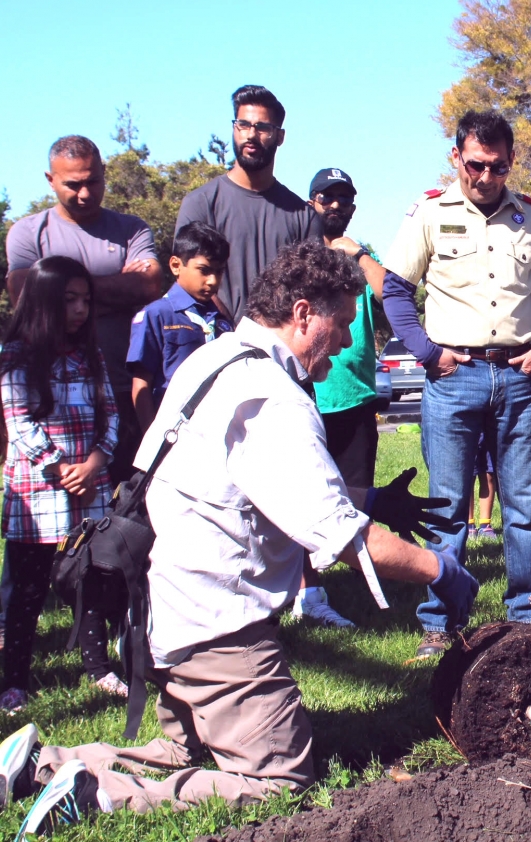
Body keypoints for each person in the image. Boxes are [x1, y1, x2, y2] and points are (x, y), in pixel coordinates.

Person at [0, 243, 479, 833]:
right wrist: (442, 571)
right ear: (303, 314)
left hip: (166, 611)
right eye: (345, 324)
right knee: (278, 780)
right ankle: (98, 793)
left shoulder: (216, 359)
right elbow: (351, 543)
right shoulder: (273, 397)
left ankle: (43, 765)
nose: (351, 341)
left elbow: (262, 485)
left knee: (186, 754)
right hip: (217, 629)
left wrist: (373, 499)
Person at [382, 110, 531, 659]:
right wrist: (427, 353)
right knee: (447, 504)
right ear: (456, 157)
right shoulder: (430, 213)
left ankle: (527, 613)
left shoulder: (529, 217)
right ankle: (441, 620)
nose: (485, 178)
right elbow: (395, 289)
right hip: (453, 377)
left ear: (511, 164)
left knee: (520, 502)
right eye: (476, 165)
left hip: (516, 375)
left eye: (498, 167)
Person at [0, 257, 124, 712]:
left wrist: (94, 463)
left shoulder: (89, 354)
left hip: (89, 487)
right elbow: (20, 422)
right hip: (39, 493)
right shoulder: (15, 355)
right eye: (69, 299)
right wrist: (61, 470)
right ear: (44, 302)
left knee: (91, 580)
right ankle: (14, 679)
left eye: (85, 300)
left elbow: (110, 414)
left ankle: (97, 667)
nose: (79, 309)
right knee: (26, 590)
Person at [5, 135, 162, 484]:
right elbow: (23, 296)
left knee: (125, 512)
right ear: (50, 180)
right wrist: (117, 286)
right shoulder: (28, 232)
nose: (85, 193)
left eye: (93, 181)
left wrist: (57, 288)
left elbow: (149, 286)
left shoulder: (130, 229)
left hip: (122, 391)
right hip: (50, 394)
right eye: (72, 185)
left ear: (104, 172)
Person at [297, 167, 388, 629]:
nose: (335, 206)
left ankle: (354, 583)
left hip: (354, 395)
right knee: (301, 495)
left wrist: (360, 253)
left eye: (344, 199)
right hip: (308, 394)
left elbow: (389, 294)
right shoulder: (300, 258)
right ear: (311, 203)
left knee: (353, 496)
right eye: (326, 198)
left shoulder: (361, 256)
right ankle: (306, 589)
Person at [175, 85, 321, 322]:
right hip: (214, 348)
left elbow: (311, 293)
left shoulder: (304, 217)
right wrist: (230, 334)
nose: (251, 135)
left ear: (280, 136)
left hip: (281, 352)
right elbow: (187, 282)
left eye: (262, 127)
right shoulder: (200, 204)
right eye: (243, 125)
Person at [127, 222, 233, 431]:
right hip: (174, 432)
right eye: (204, 270)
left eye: (219, 272)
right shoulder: (157, 315)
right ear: (176, 265)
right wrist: (153, 440)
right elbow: (141, 385)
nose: (212, 281)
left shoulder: (222, 321)